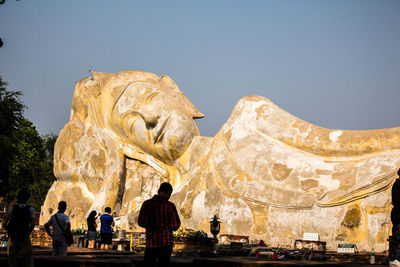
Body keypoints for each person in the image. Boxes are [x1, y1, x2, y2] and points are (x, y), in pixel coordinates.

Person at [138, 182, 181, 267]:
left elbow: (140, 222)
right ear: (169, 193)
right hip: (166, 244)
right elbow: (175, 225)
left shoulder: (146, 204)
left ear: (158, 191)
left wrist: (151, 225)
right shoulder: (169, 206)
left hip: (151, 243)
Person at [4, 189, 35, 267]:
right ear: (27, 199)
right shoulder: (30, 209)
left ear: (18, 198)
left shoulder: (11, 208)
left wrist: (10, 231)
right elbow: (33, 224)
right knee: (28, 260)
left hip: (13, 238)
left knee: (12, 260)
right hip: (25, 237)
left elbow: (4, 223)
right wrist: (28, 232)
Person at [390, 169, 400, 266]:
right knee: (398, 237)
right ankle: (396, 259)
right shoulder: (398, 185)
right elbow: (397, 199)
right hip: (398, 213)